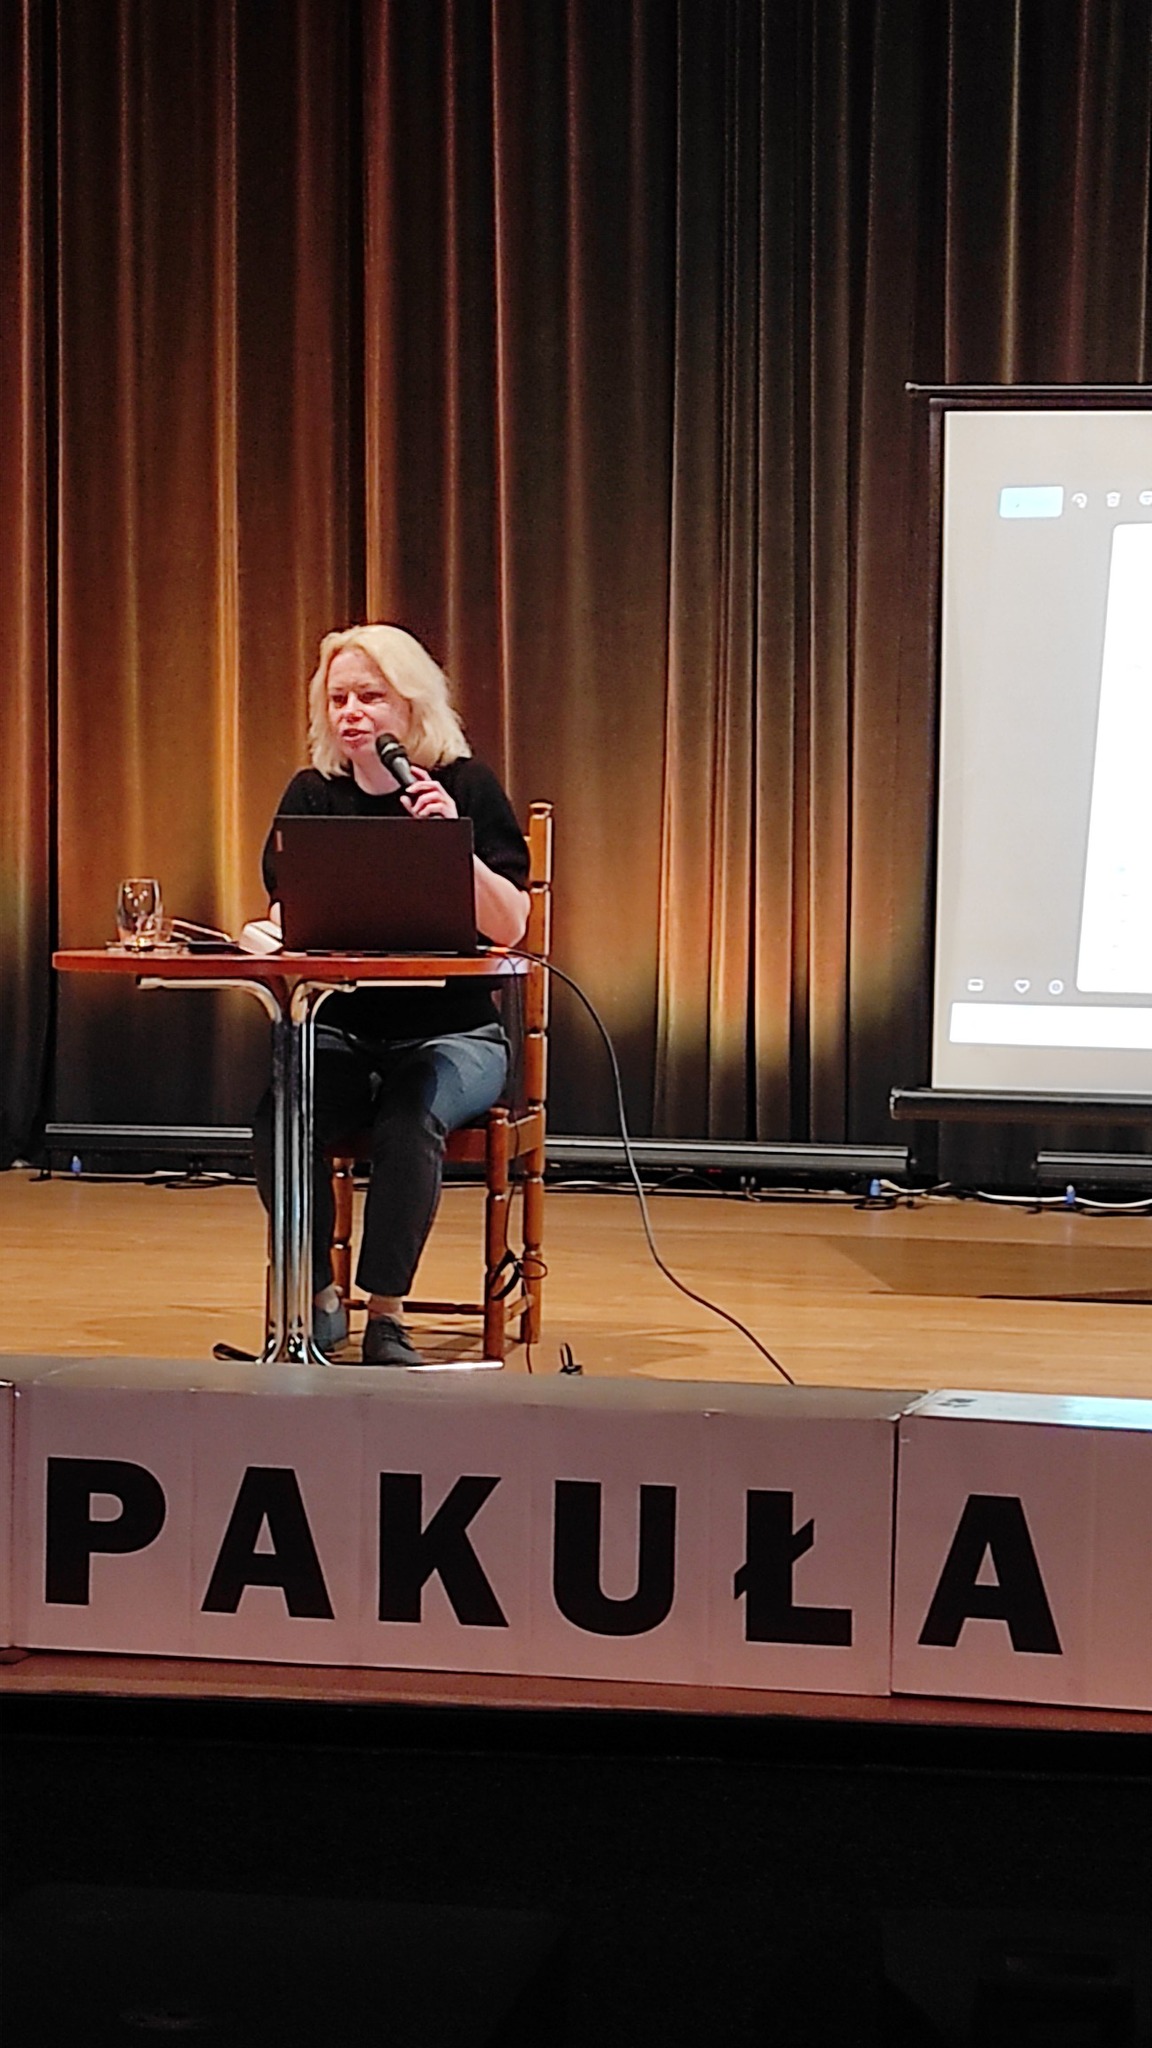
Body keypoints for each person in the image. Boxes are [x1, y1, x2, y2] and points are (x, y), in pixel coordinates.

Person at [253, 625, 530, 1365]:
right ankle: (316, 1296)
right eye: (338, 698)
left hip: (453, 1033)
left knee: (410, 1117)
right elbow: (287, 912)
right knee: (283, 1115)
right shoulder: (312, 795)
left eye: (370, 697)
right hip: (341, 1024)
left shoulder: (466, 786)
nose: (352, 713)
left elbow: (512, 926)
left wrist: (454, 844)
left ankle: (386, 1313)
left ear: (411, 705)